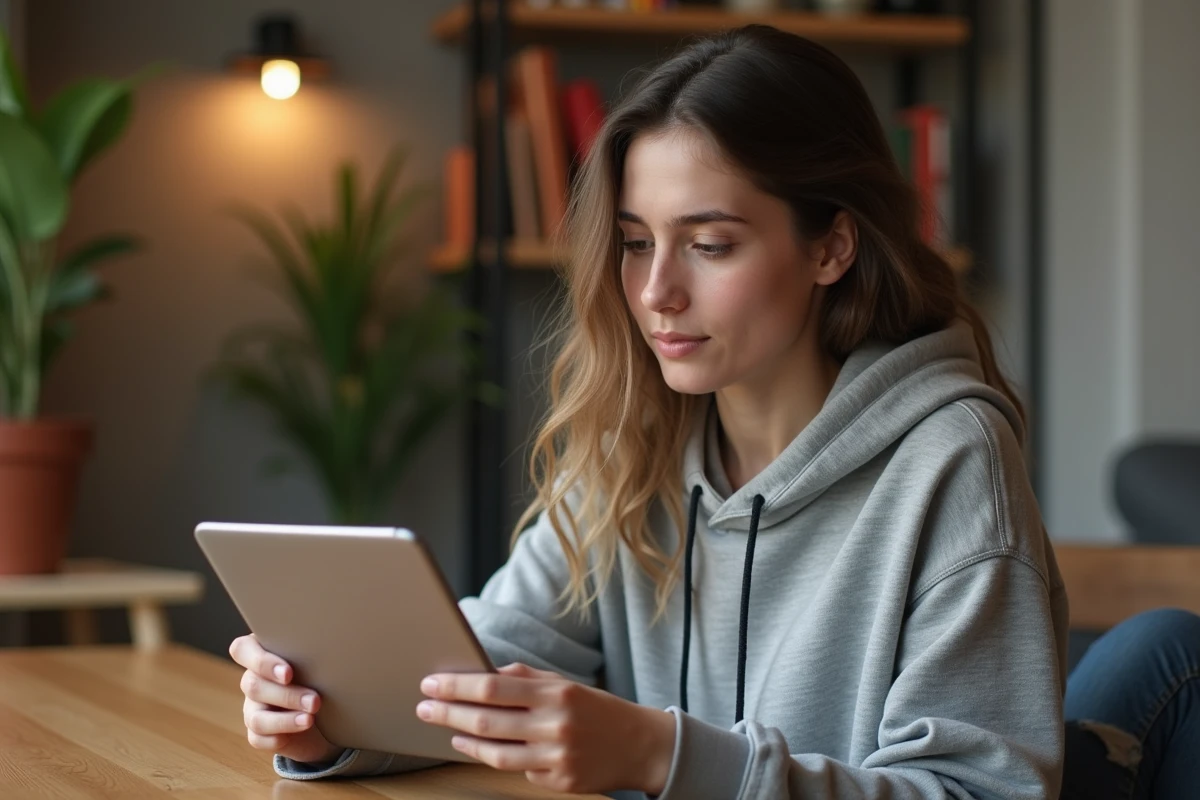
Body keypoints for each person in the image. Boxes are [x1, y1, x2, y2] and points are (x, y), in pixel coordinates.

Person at [228, 25, 1200, 800]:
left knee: (1172, 648)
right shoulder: (633, 439)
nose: (654, 292)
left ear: (831, 248)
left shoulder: (951, 458)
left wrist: (663, 755)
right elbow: (481, 669)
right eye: (637, 241)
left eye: (712, 244)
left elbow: (972, 790)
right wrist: (336, 721)